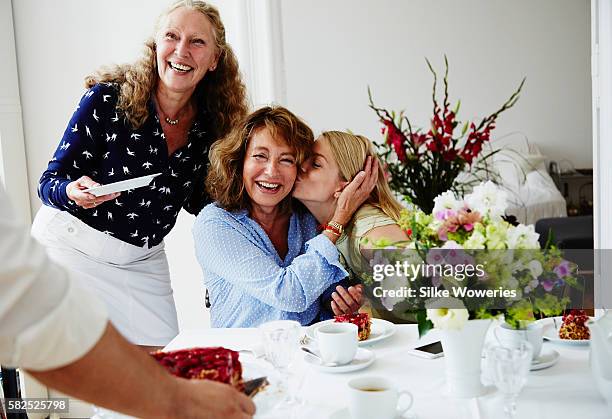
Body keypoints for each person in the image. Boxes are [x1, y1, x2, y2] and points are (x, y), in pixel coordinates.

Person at [31, 0, 247, 346]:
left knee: (167, 370)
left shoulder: (214, 126)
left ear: (214, 60)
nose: (181, 50)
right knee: (109, 379)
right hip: (72, 248)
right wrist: (73, 190)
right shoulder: (106, 100)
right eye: (171, 37)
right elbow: (49, 182)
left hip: (141, 259)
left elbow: (201, 203)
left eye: (197, 42)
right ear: (156, 46)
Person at [0, 183, 255, 419]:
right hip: (74, 239)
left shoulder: (204, 136)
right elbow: (34, 321)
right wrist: (181, 400)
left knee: (165, 355)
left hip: (141, 252)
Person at [193, 107, 376, 328]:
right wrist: (338, 222)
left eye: (286, 160)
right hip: (246, 354)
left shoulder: (305, 217)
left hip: (308, 352)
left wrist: (337, 302)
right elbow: (288, 294)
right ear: (239, 161)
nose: (271, 172)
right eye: (260, 156)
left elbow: (318, 291)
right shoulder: (215, 223)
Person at [293, 131, 410, 318]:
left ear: (345, 185)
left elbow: (431, 288)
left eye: (315, 164)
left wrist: (370, 299)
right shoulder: (310, 224)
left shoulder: (369, 230)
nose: (300, 167)